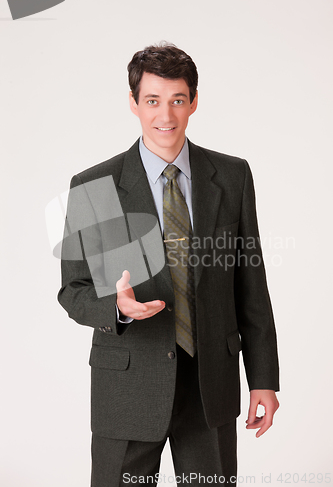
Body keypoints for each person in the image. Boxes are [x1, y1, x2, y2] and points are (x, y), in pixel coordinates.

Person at [58, 43, 280, 487]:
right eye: (153, 100)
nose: (166, 115)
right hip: (127, 389)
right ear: (134, 103)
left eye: (178, 100)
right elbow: (74, 290)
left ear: (194, 102)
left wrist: (263, 379)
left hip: (210, 388)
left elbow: (250, 286)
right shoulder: (95, 185)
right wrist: (118, 308)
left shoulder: (232, 177)